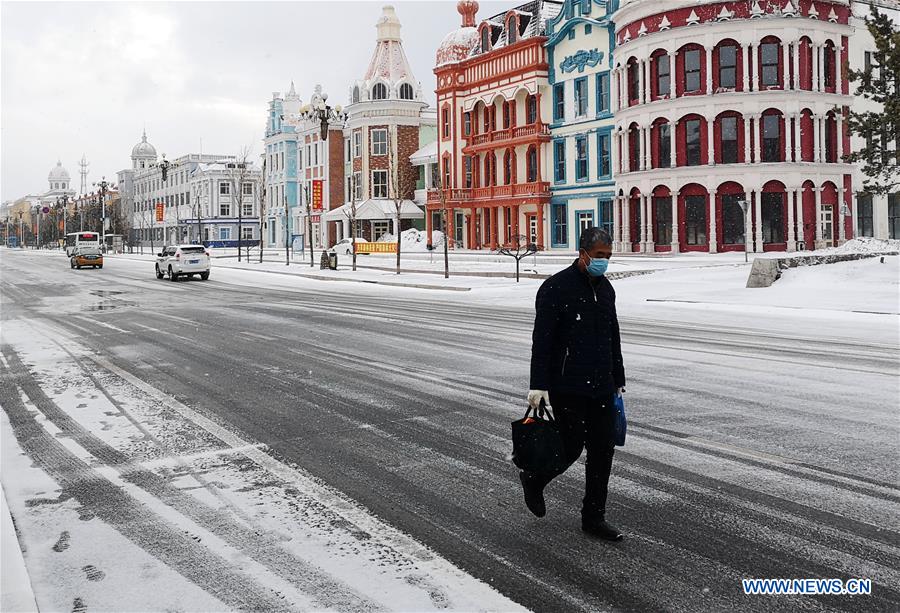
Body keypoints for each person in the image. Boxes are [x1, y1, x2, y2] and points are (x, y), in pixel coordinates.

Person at [522, 227, 626, 541]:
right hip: (567, 385)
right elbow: (542, 341)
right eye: (598, 257)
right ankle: (535, 479)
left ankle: (593, 517)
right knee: (568, 448)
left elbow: (613, 336)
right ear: (582, 253)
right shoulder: (555, 288)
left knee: (602, 452)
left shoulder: (606, 290)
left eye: (608, 257)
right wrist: (538, 385)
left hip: (602, 385)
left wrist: (618, 378)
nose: (603, 262)